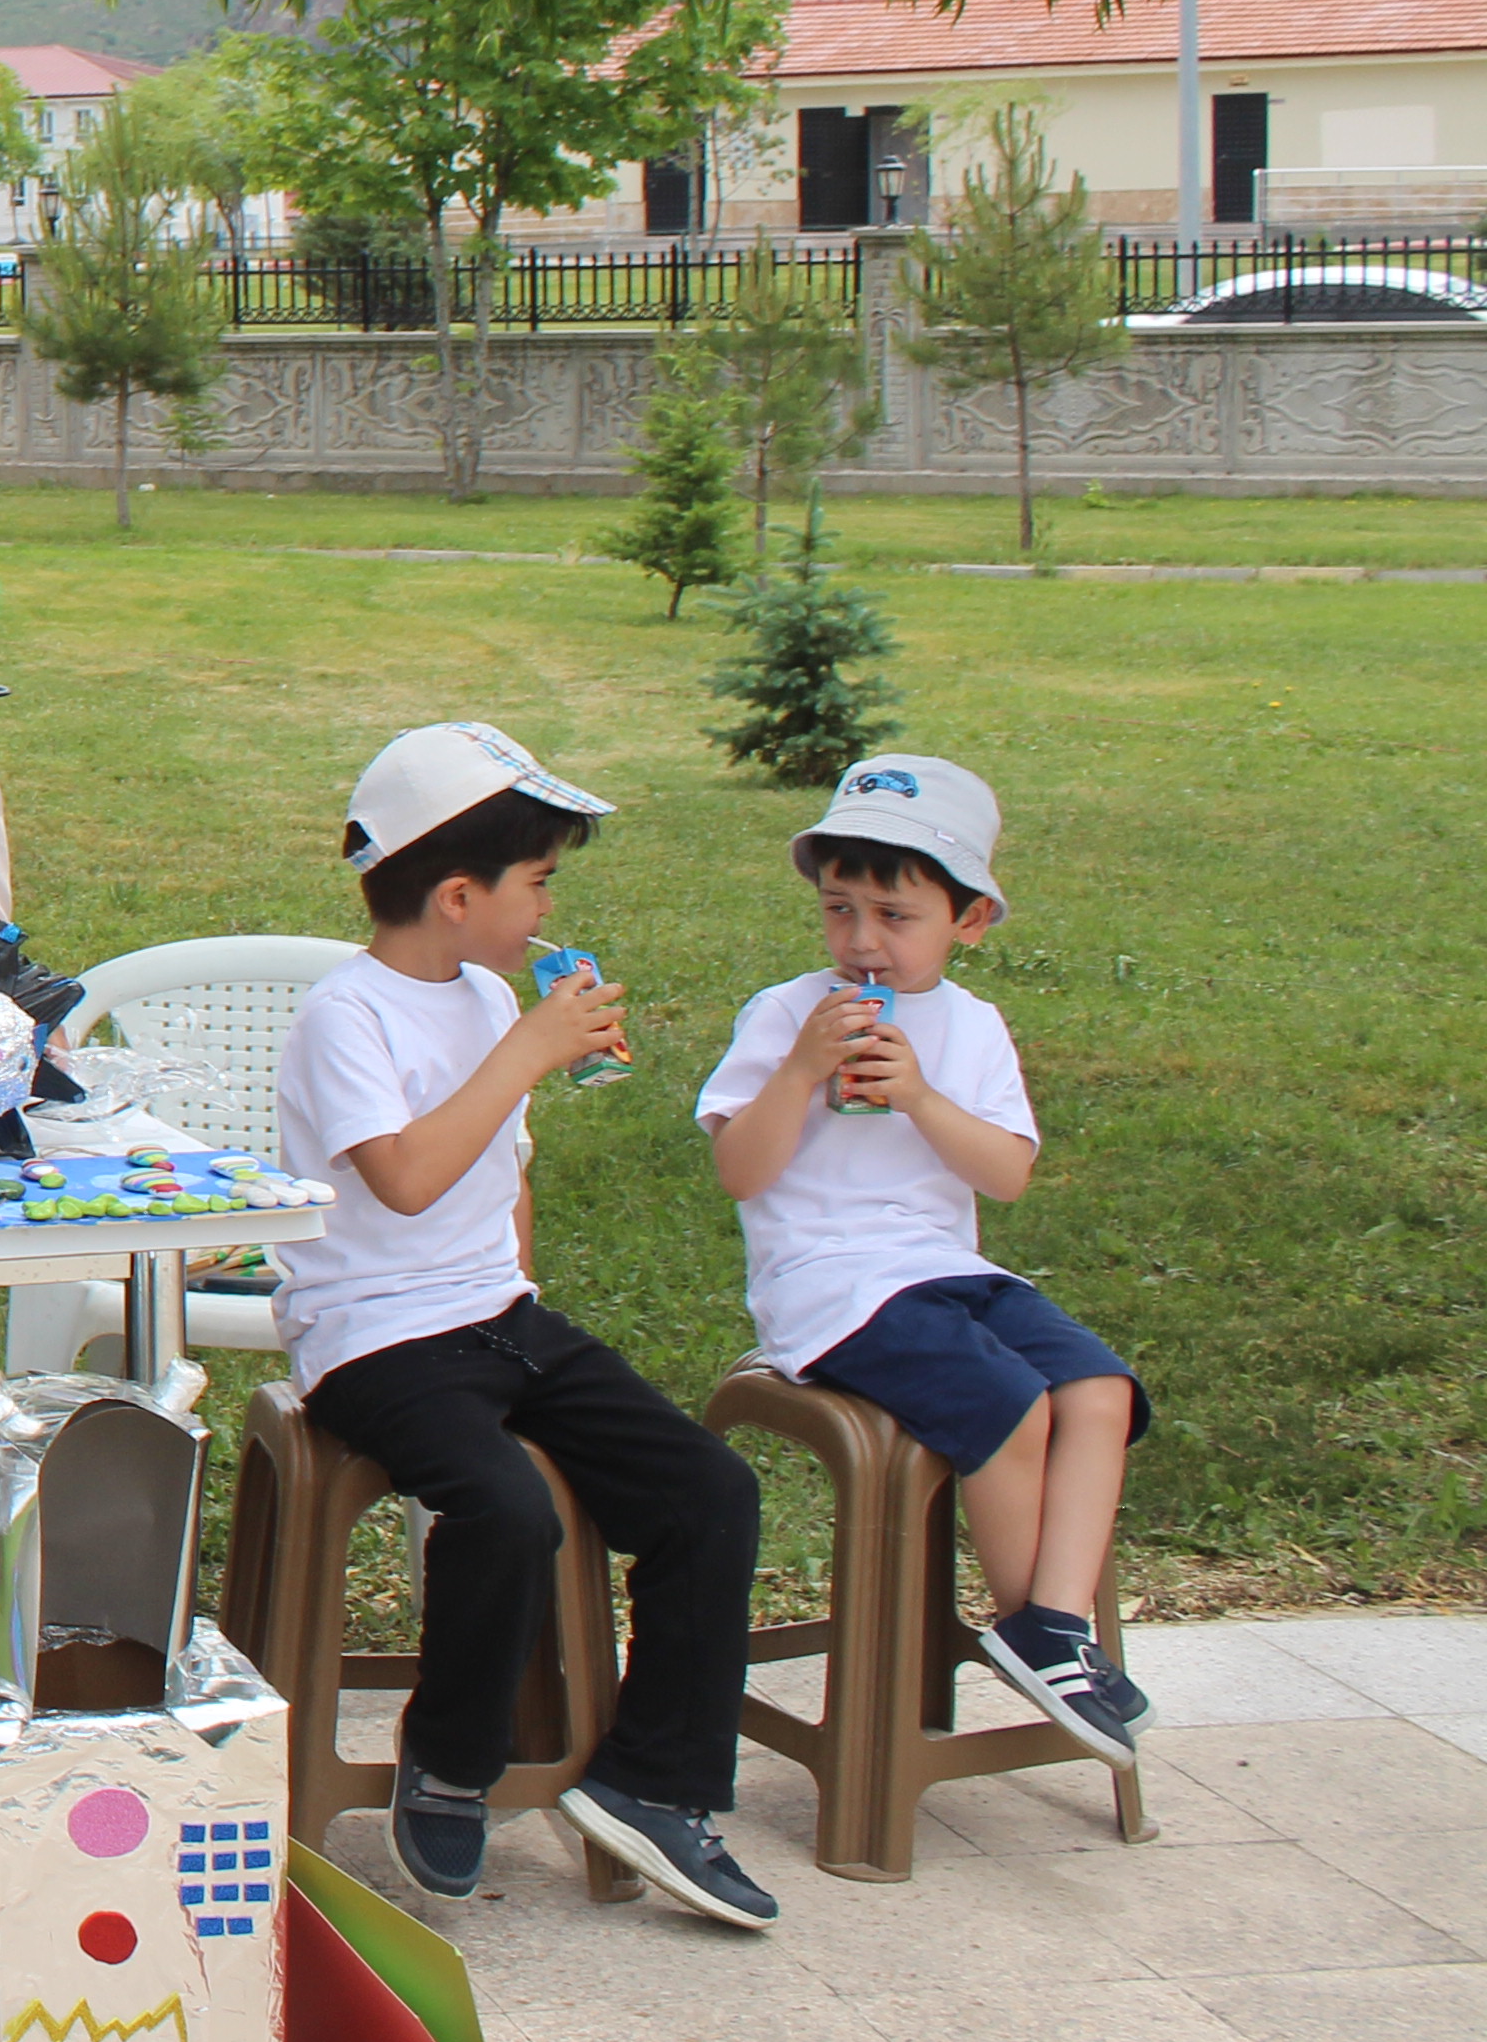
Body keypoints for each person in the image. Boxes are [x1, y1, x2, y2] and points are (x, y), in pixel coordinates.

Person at [271, 722, 773, 1928]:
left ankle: (655, 1782)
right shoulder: (348, 1016)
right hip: (373, 1334)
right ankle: (448, 1759)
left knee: (709, 1490)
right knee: (506, 1507)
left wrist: (527, 1302)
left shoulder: (492, 993)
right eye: (538, 880)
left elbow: (505, 1177)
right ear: (456, 894)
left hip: (497, 1315)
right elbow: (401, 1177)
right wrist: (526, 1054)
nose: (551, 902)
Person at [700, 754, 1145, 1759]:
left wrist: (921, 1097)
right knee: (1015, 1403)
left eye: (894, 917)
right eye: (838, 909)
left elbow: (1006, 1175)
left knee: (1100, 1391)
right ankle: (1049, 1642)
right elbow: (741, 1169)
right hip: (830, 1290)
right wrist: (804, 1071)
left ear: (970, 919)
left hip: (948, 1272)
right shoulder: (784, 1017)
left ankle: (1049, 1623)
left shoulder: (975, 1029)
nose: (861, 942)